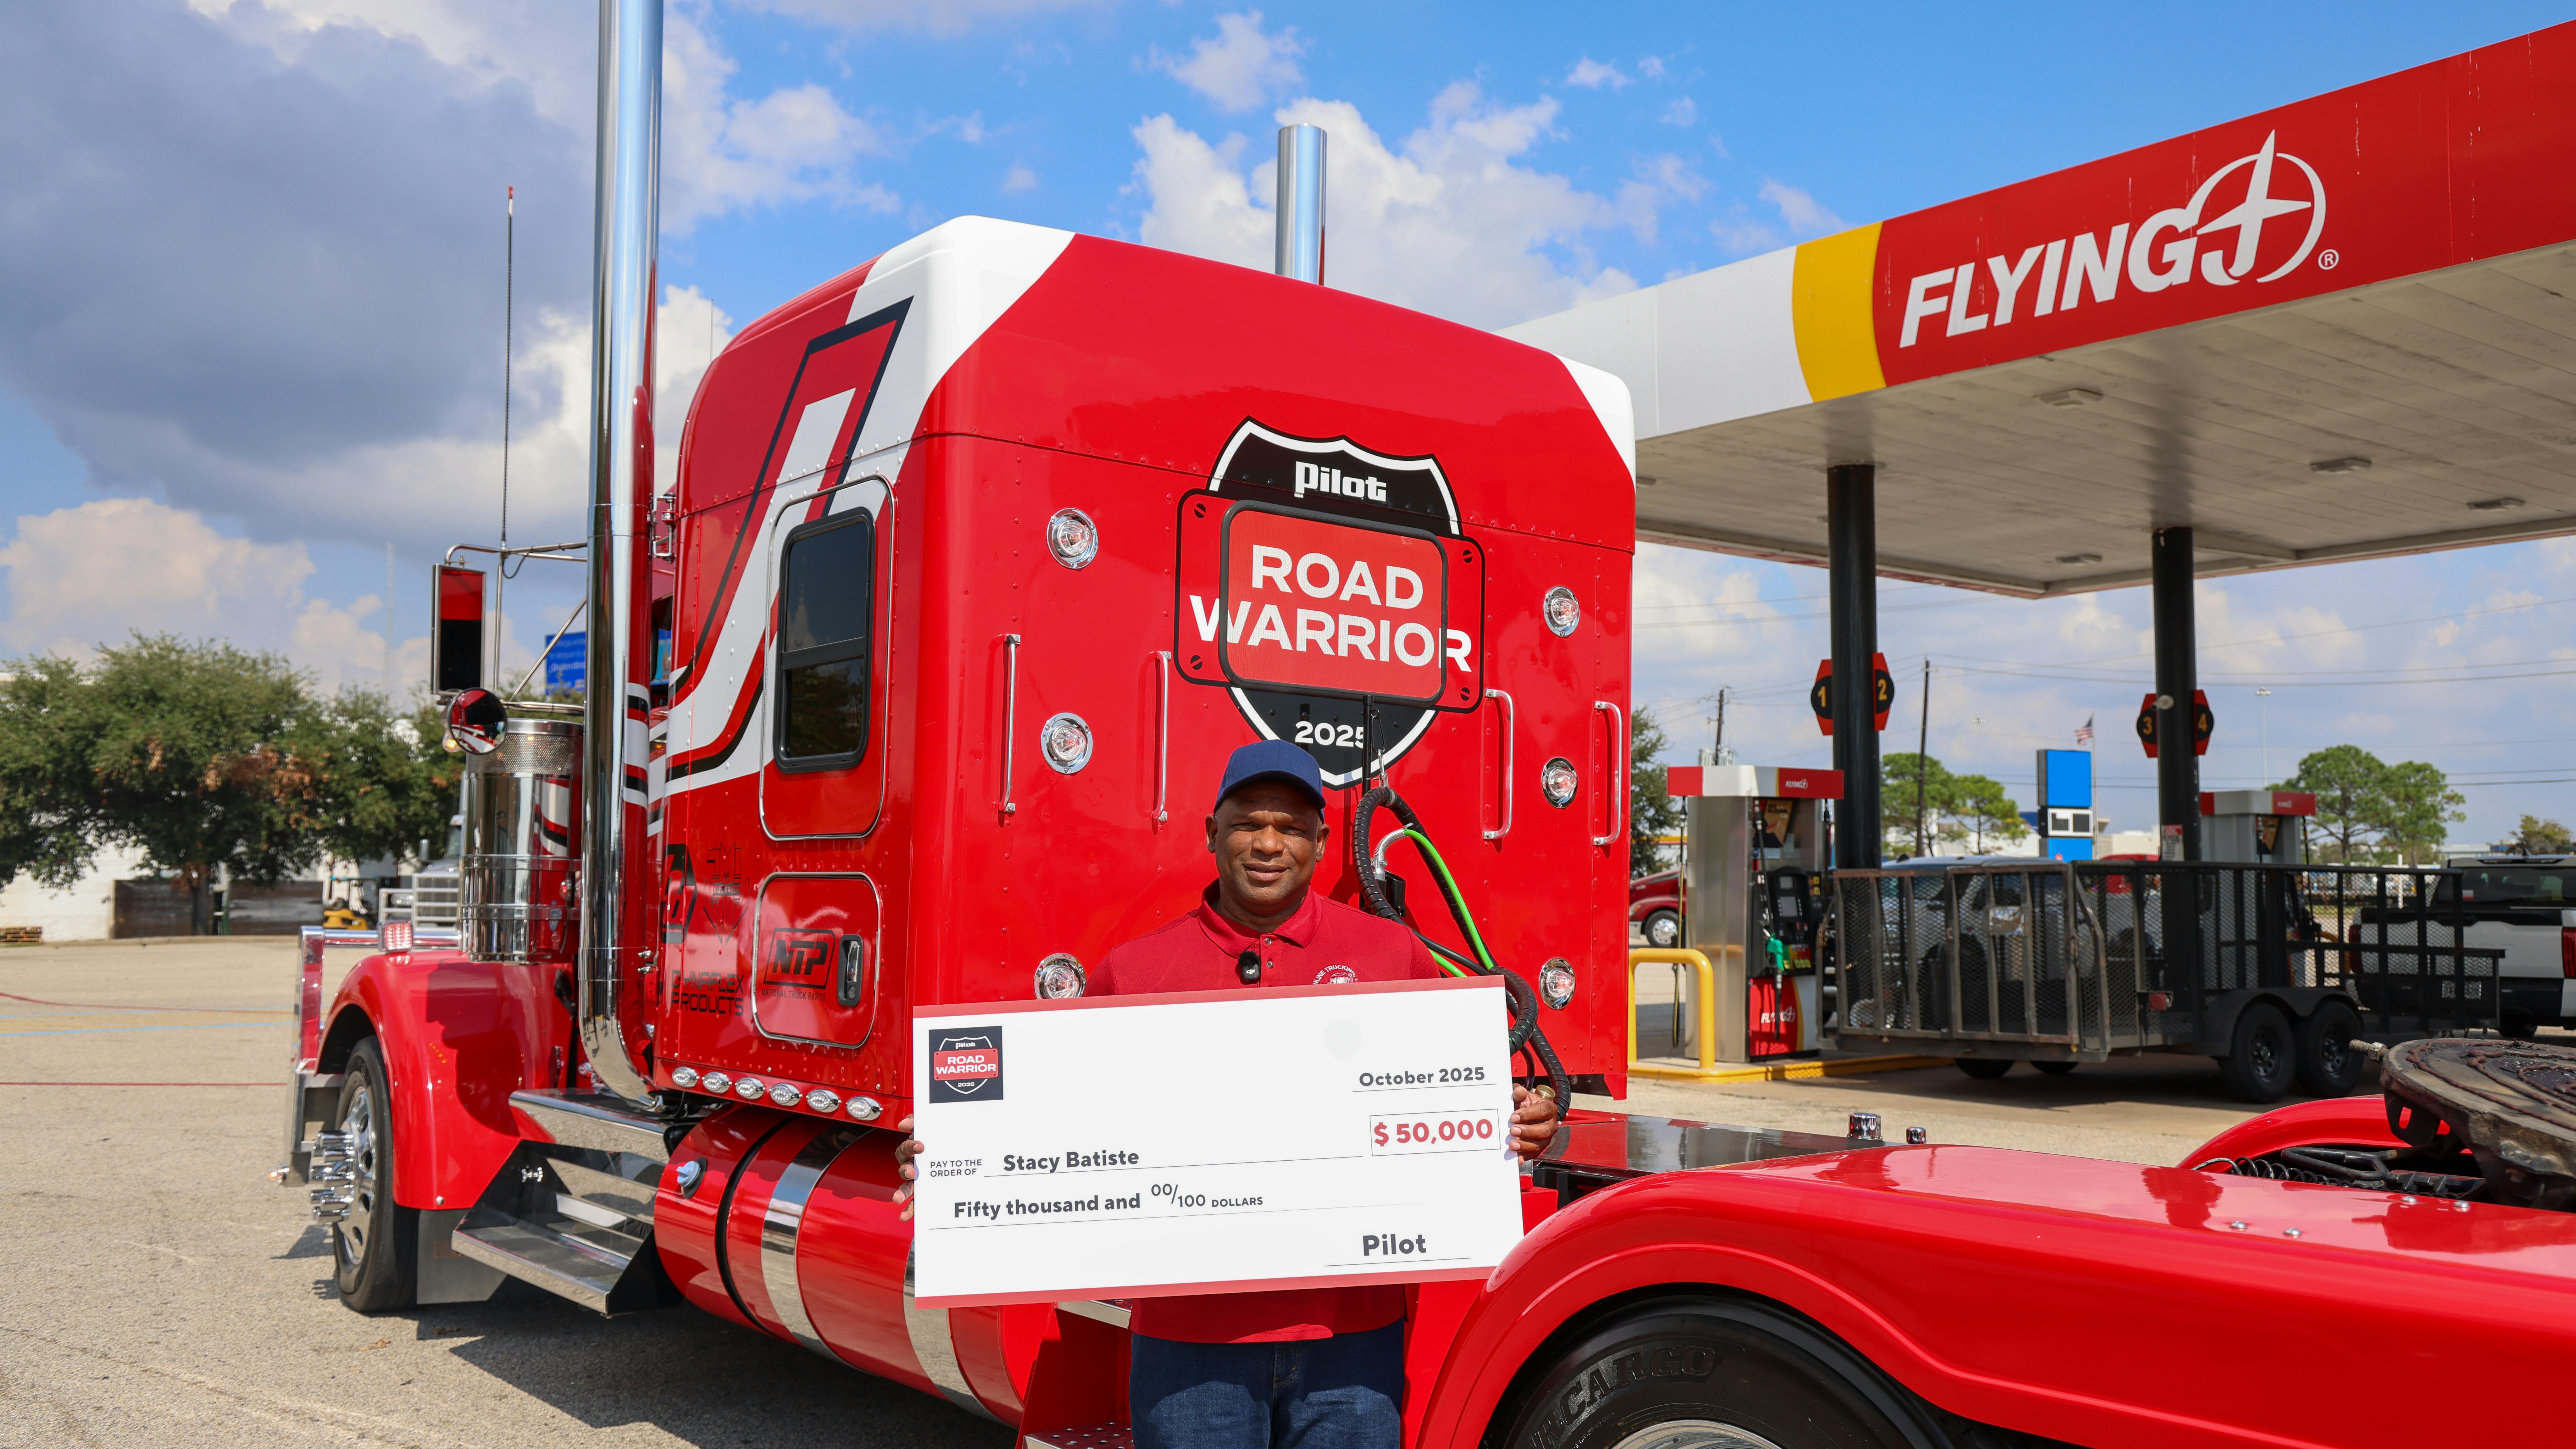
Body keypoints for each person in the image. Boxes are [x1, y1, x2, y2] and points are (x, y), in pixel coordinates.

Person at [895, 739, 1560, 1449]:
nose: (1269, 844)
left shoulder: (1392, 957)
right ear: (1213, 834)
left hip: (1352, 1345)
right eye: (1248, 824)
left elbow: (1453, 1099)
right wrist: (956, 1160)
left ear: (1321, 844)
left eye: (1291, 828)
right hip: (1189, 1351)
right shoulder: (1134, 974)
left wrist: (1519, 1121)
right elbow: (1056, 1128)